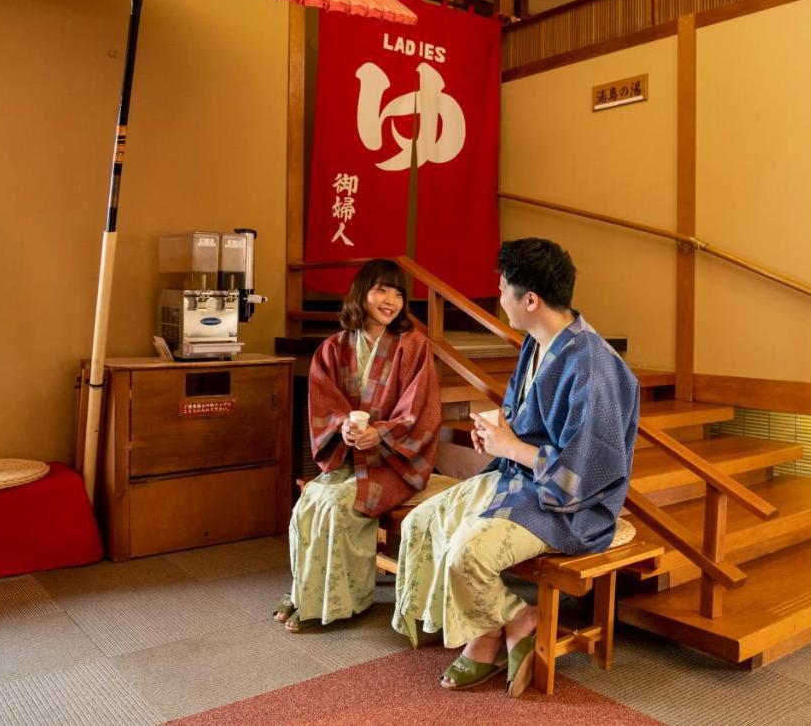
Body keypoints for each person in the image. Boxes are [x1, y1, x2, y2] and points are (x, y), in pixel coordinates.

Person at [391, 238, 640, 696]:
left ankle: (503, 627)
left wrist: (509, 446)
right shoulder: (537, 342)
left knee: (468, 551)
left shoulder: (593, 367)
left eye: (502, 287)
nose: (498, 295)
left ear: (531, 300)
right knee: (422, 521)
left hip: (571, 504)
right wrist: (498, 433)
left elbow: (584, 471)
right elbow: (524, 417)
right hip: (522, 477)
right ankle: (501, 623)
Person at [274, 259, 441, 632]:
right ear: (361, 293)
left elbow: (420, 409)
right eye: (382, 290)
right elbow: (325, 404)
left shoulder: (413, 346)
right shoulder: (334, 348)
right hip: (349, 455)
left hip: (395, 462)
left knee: (338, 506)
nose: (391, 300)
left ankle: (339, 602)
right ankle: (305, 591)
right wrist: (345, 429)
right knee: (308, 504)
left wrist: (380, 432)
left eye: (398, 294)